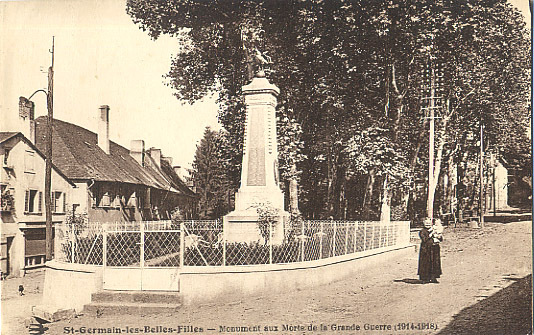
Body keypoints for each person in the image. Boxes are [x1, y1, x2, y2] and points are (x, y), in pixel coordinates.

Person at [418, 218, 443, 283]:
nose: (428, 224)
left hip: (434, 249)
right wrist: (431, 234)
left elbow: (440, 239)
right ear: (423, 223)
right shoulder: (422, 231)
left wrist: (439, 236)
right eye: (426, 223)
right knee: (425, 263)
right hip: (426, 250)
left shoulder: (434, 229)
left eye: (429, 223)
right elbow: (424, 240)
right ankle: (425, 278)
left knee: (435, 263)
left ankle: (433, 277)